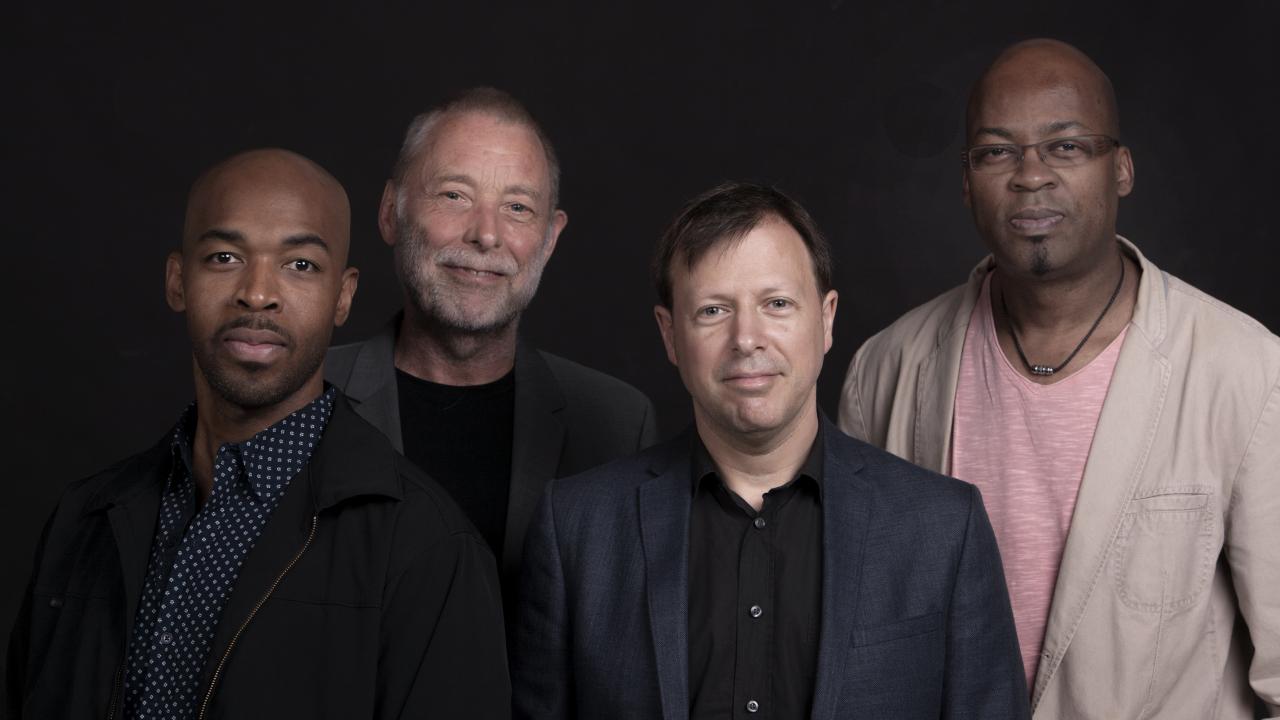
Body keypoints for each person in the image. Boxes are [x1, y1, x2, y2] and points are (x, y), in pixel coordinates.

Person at [840, 39, 1280, 719]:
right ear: (966, 181)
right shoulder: (885, 371)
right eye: (997, 152)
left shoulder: (1247, 372)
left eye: (1066, 146)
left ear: (1121, 168)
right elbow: (857, 648)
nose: (1030, 176)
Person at [5, 149, 509, 719]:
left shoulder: (430, 551)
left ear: (343, 296)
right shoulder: (83, 520)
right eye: (225, 257)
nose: (258, 292)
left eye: (300, 265)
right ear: (177, 281)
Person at [514, 182, 1028, 719]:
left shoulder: (943, 529)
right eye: (713, 310)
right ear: (669, 335)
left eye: (777, 304)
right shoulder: (577, 530)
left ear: (826, 319)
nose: (746, 338)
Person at [326, 88, 658, 609]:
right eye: (454, 196)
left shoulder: (618, 424)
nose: (486, 234)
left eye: (517, 208)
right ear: (391, 211)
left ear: (549, 239)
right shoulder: (305, 397)